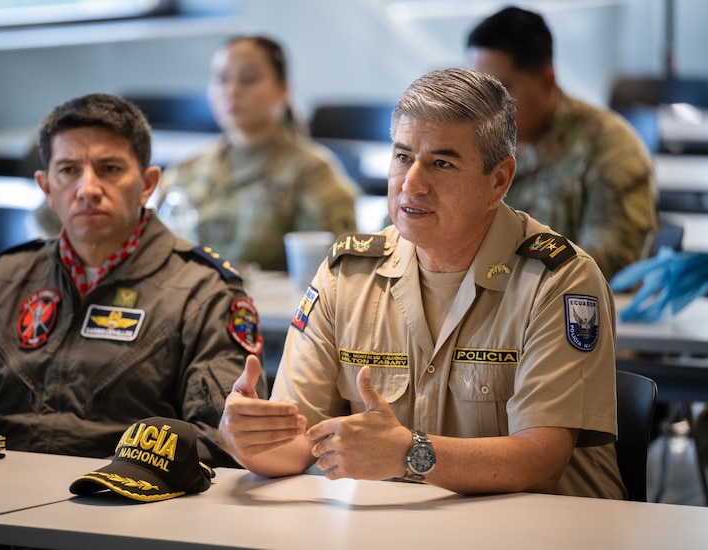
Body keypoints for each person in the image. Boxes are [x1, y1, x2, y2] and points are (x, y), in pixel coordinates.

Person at [218, 68, 627, 499]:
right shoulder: (347, 275)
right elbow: (294, 444)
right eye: (402, 157)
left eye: (442, 163)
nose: (412, 183)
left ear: (499, 180)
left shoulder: (559, 280)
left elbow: (541, 461)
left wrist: (410, 454)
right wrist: (247, 437)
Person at [0, 93, 266, 466]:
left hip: (134, 505)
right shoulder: (8, 278)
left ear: (147, 183)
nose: (88, 189)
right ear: (47, 188)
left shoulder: (204, 291)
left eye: (109, 169)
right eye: (69, 170)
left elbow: (224, 439)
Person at [465, 6, 658, 282]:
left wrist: (494, 271)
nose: (486, 106)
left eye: (502, 90)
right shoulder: (471, 140)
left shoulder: (610, 147)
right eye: (479, 90)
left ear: (547, 81)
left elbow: (612, 261)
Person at [157, 34, 360, 271]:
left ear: (283, 90)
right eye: (221, 80)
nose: (232, 91)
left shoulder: (312, 173)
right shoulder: (186, 170)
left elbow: (337, 272)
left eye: (248, 79)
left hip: (277, 307)